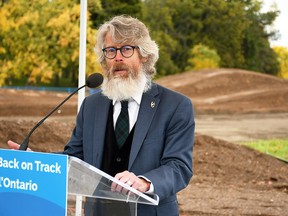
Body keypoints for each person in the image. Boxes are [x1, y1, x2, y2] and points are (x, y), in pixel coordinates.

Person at [8, 15, 195, 215]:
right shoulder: (91, 106)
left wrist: (143, 182)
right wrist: (37, 164)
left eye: (126, 49)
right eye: (111, 51)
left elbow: (179, 167)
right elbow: (75, 158)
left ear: (144, 55)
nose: (118, 57)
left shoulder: (175, 106)